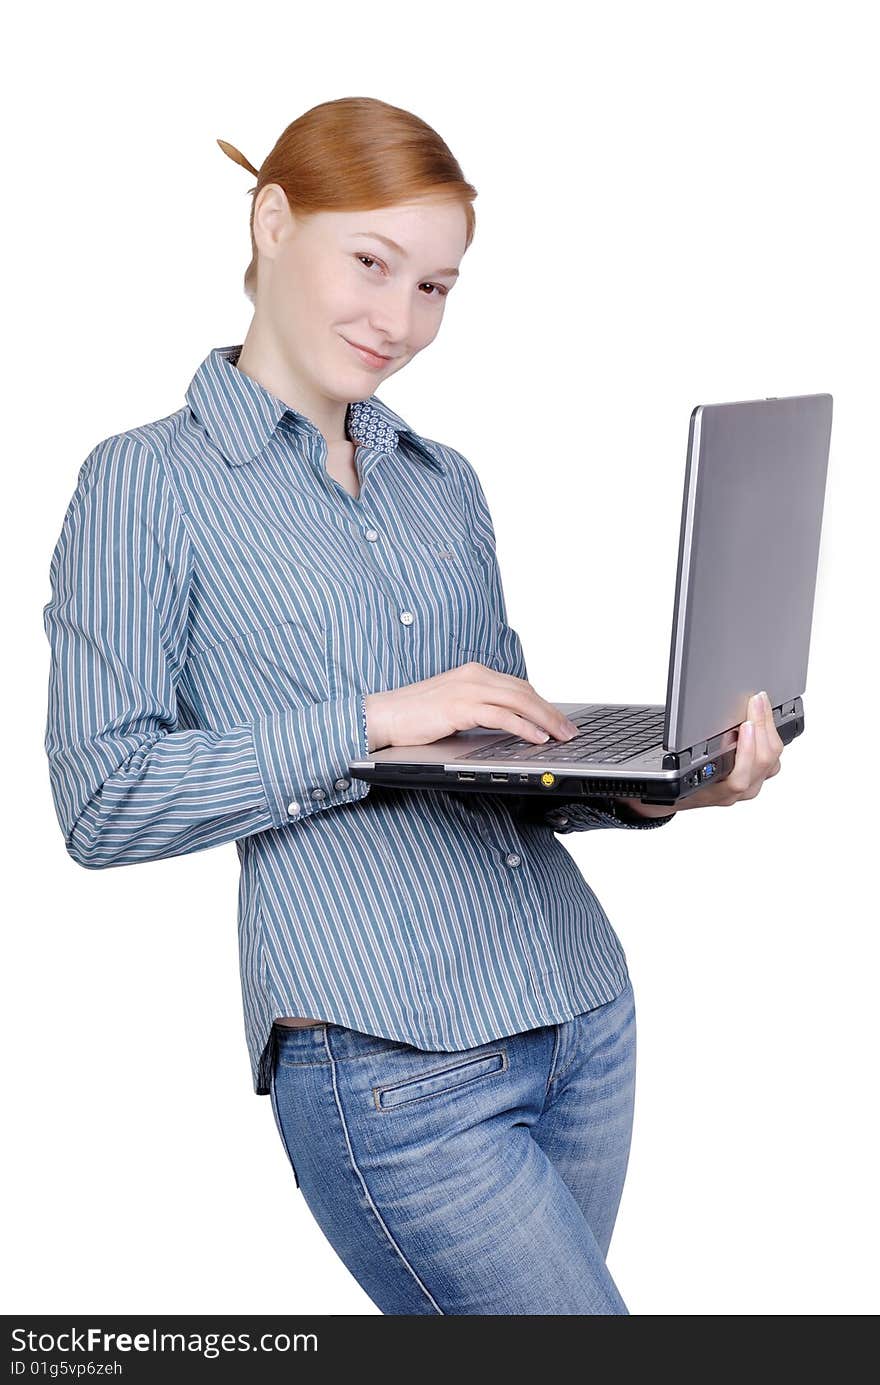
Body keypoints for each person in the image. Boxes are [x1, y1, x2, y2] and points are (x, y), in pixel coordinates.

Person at [42, 96, 785, 1315]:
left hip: (580, 1011)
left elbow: (498, 770)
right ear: (274, 222)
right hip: (387, 1059)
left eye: (436, 287)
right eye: (371, 263)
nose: (399, 320)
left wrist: (668, 783)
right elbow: (103, 801)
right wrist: (370, 717)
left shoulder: (444, 482)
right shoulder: (143, 482)